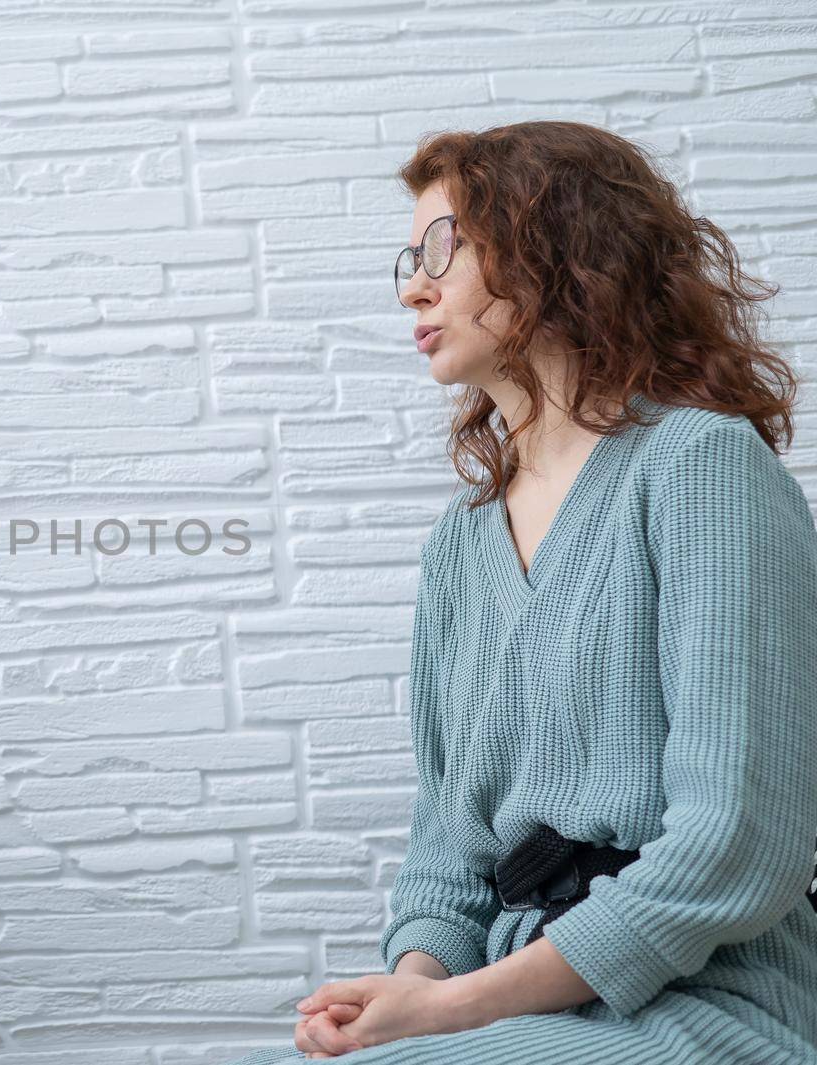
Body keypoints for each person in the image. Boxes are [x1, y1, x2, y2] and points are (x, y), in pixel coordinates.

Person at [226, 121, 817, 1063]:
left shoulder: (699, 468)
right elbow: (448, 854)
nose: (412, 285)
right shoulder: (459, 547)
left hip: (701, 997)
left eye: (441, 249)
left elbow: (736, 842)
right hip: (515, 1001)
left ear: (556, 252)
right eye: (405, 258)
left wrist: (454, 1013)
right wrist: (411, 990)